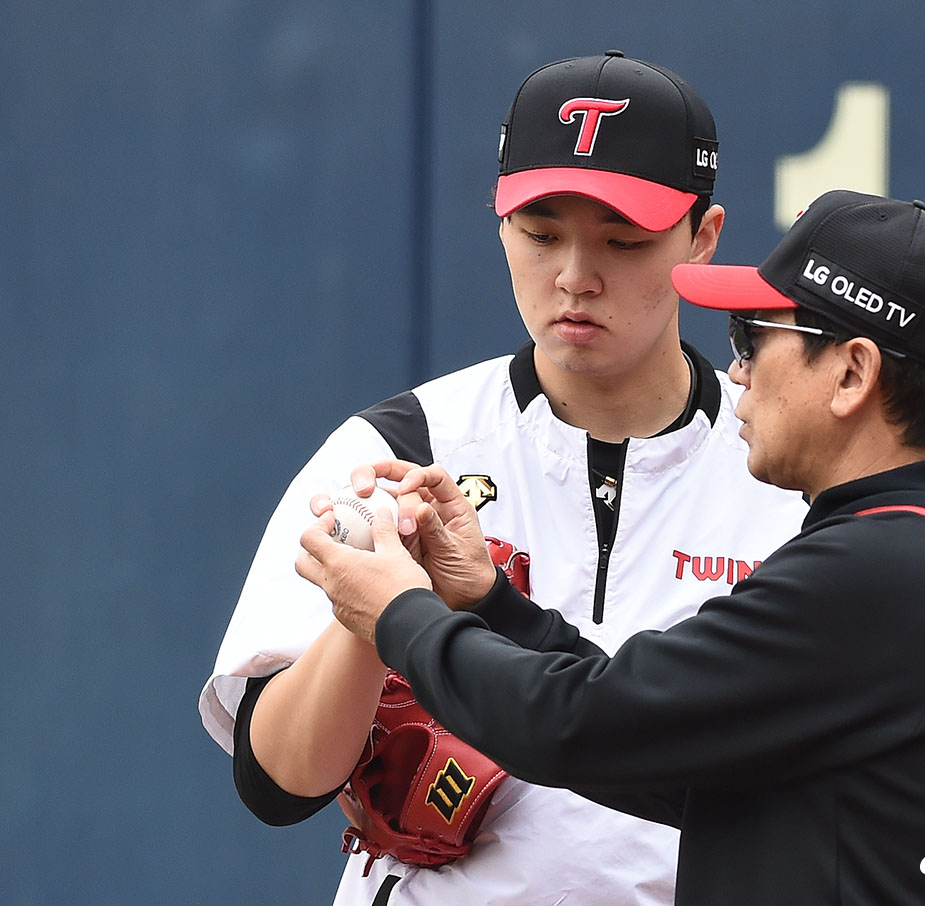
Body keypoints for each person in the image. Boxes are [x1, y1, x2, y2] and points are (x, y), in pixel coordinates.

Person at [295, 189, 925, 906]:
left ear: (852, 374)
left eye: (756, 334)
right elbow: (673, 760)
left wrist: (397, 613)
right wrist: (487, 601)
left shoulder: (889, 569)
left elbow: (581, 724)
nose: (736, 370)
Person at [198, 50, 809, 906]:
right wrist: (373, 621)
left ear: (702, 240)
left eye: (622, 240)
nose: (574, 276)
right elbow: (276, 786)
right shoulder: (402, 444)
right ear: (499, 224)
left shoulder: (783, 476)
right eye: (541, 231)